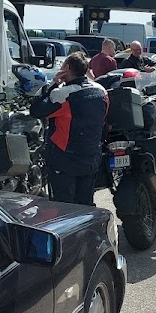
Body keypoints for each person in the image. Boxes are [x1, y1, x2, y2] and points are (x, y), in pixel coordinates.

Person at [30, 52, 108, 206]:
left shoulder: (62, 94)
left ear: (66, 68)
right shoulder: (101, 91)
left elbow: (36, 110)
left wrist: (53, 83)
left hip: (65, 159)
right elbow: (104, 120)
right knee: (85, 204)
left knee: (63, 206)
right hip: (91, 157)